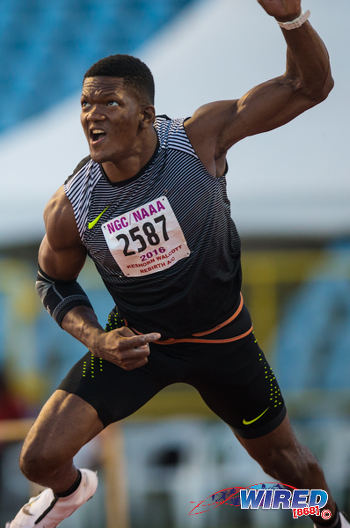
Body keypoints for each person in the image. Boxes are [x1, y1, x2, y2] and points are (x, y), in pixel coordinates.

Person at [6, 1, 347, 527]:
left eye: (109, 104)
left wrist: (292, 20)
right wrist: (99, 340)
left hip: (225, 341)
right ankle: (72, 492)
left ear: (144, 115)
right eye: (84, 105)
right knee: (39, 458)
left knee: (299, 473)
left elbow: (310, 87)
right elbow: (52, 280)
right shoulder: (74, 204)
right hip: (139, 347)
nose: (92, 116)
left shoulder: (197, 141)